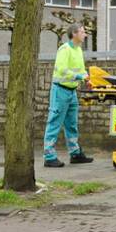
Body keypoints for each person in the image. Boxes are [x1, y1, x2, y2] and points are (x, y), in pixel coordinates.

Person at [43, 23, 94, 167]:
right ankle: (49, 156)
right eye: (83, 32)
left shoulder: (78, 50)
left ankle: (75, 153)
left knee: (72, 124)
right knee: (54, 123)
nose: (85, 34)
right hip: (60, 91)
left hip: (71, 92)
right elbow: (63, 70)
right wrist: (79, 77)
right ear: (74, 34)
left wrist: (88, 79)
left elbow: (82, 70)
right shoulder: (64, 49)